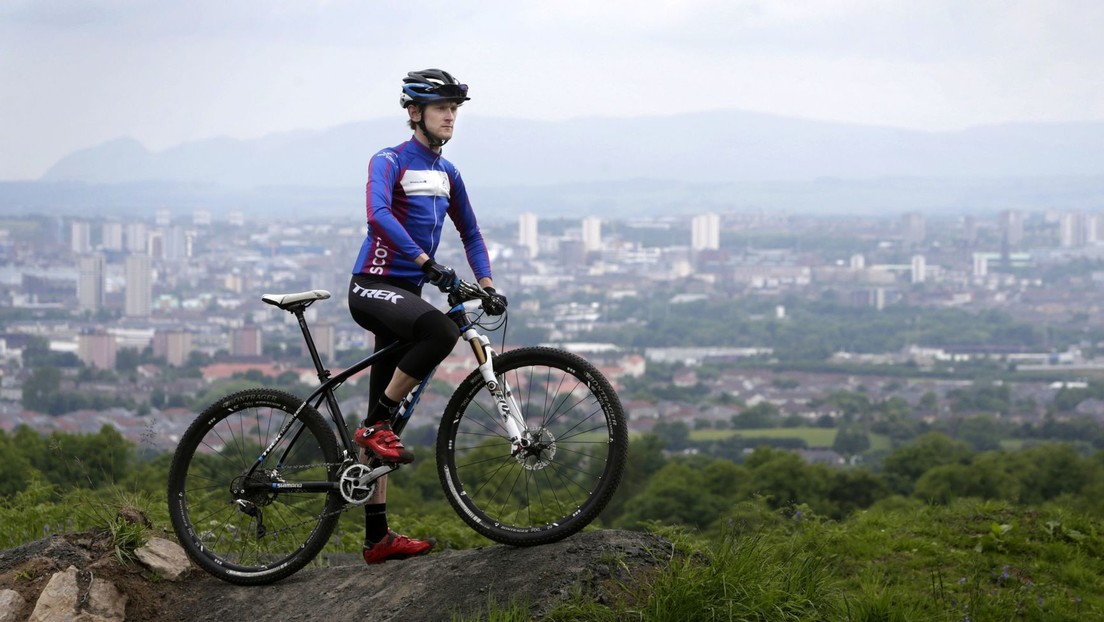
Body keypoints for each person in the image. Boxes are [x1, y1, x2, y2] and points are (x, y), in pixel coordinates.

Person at [347, 68, 507, 564]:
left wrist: (486, 284)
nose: (451, 115)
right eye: (442, 107)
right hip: (374, 288)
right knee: (438, 330)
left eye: (455, 108)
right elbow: (378, 215)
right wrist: (426, 264)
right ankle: (373, 425)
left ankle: (377, 537)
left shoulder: (447, 174)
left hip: (408, 295)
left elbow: (472, 233)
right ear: (415, 112)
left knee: (389, 409)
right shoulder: (389, 159)